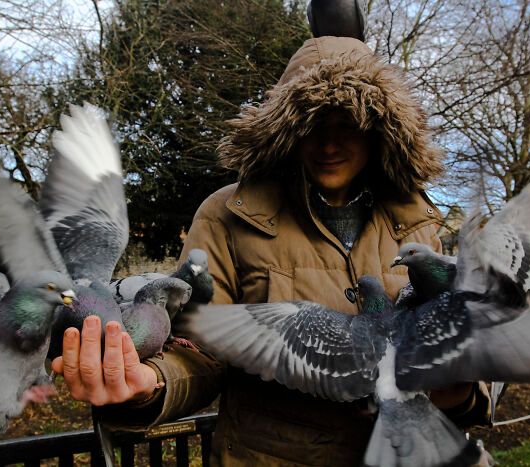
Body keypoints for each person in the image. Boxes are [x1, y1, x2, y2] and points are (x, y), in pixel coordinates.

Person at [52, 35, 491, 466]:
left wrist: (459, 386)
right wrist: (150, 381)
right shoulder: (229, 214)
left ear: (379, 131)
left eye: (348, 124)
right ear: (287, 128)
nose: (329, 144)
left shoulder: (415, 222)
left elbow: (461, 331)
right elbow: (201, 345)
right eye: (312, 124)